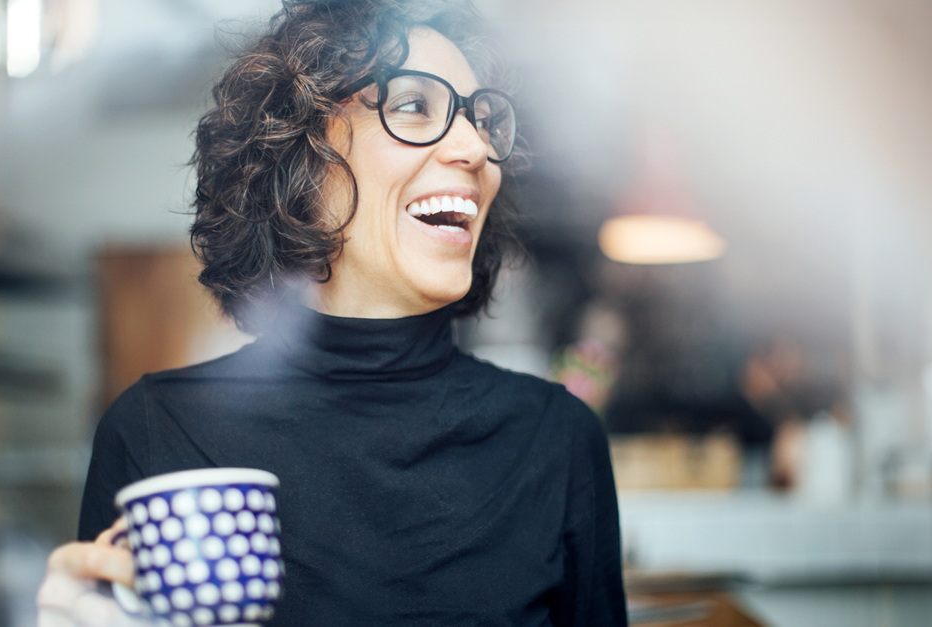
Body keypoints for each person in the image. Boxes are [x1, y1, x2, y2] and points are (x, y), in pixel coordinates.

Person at [37, 0, 627, 625]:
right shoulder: (158, 432)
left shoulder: (556, 440)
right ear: (302, 153)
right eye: (412, 105)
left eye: (482, 120)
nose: (476, 148)